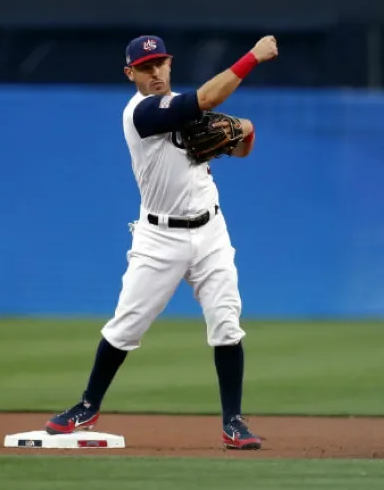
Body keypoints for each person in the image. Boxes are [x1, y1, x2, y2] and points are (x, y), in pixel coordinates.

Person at [44, 34, 279, 450]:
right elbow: (205, 100)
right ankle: (87, 405)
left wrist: (243, 131)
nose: (155, 73)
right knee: (126, 326)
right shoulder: (141, 113)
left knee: (226, 323)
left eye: (161, 64)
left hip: (210, 232)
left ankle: (234, 423)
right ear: (130, 73)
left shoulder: (182, 107)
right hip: (159, 238)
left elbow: (240, 148)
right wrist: (252, 58)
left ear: (170, 65)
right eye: (146, 67)